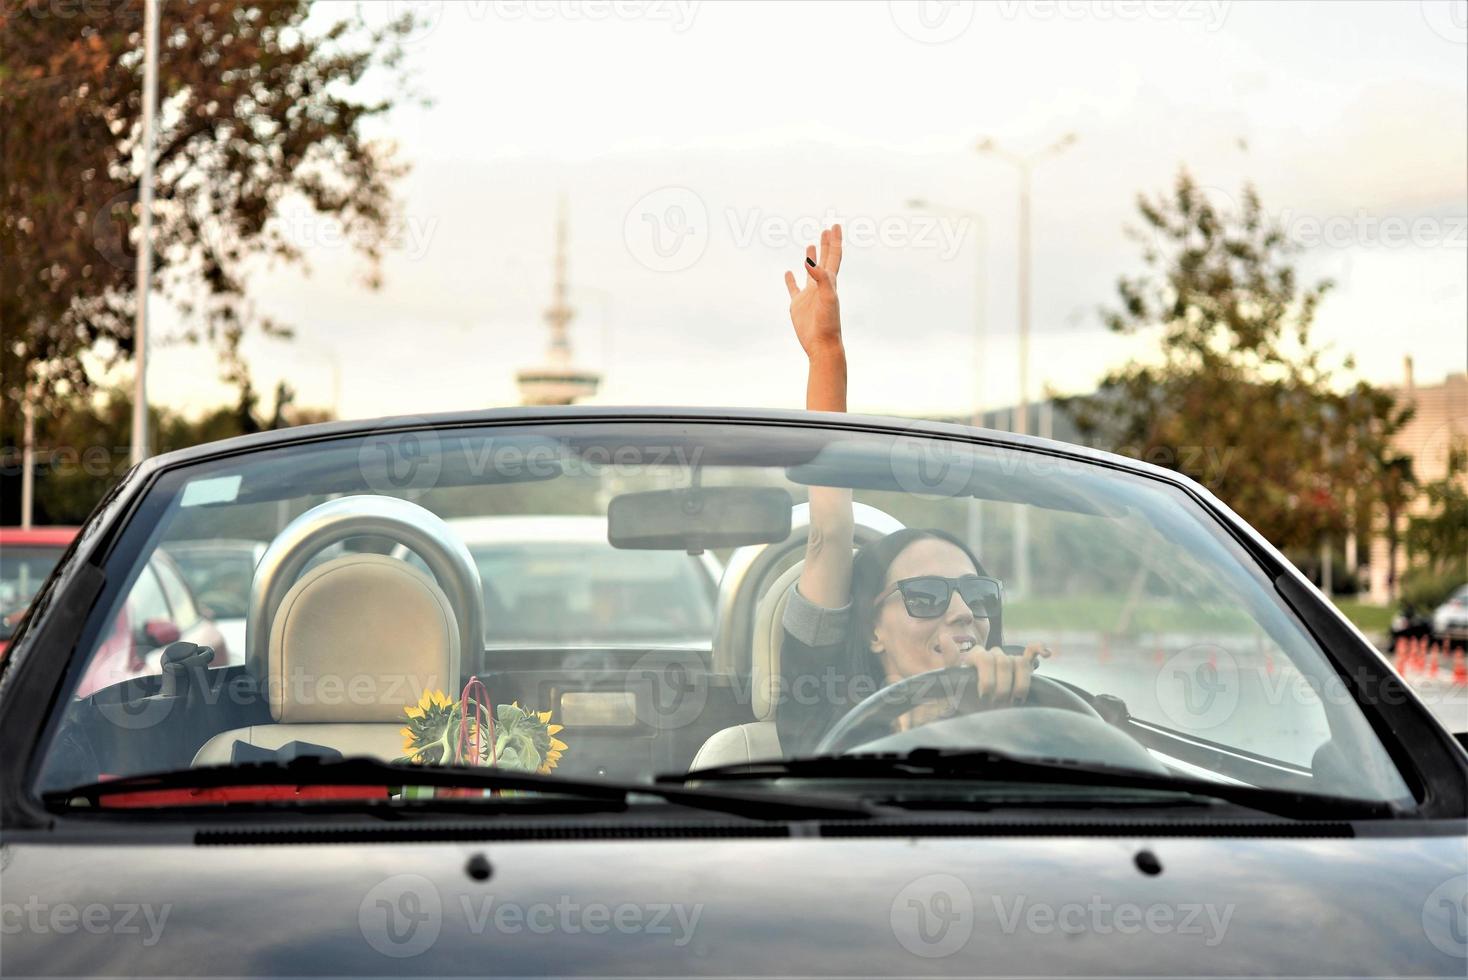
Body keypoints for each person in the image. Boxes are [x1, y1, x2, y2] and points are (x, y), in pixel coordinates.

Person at [775, 223, 1050, 756]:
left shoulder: (1027, 719)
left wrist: (1008, 723)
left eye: (977, 594)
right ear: (872, 630)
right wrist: (826, 354)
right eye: (925, 596)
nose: (963, 612)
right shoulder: (824, 711)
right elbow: (830, 532)